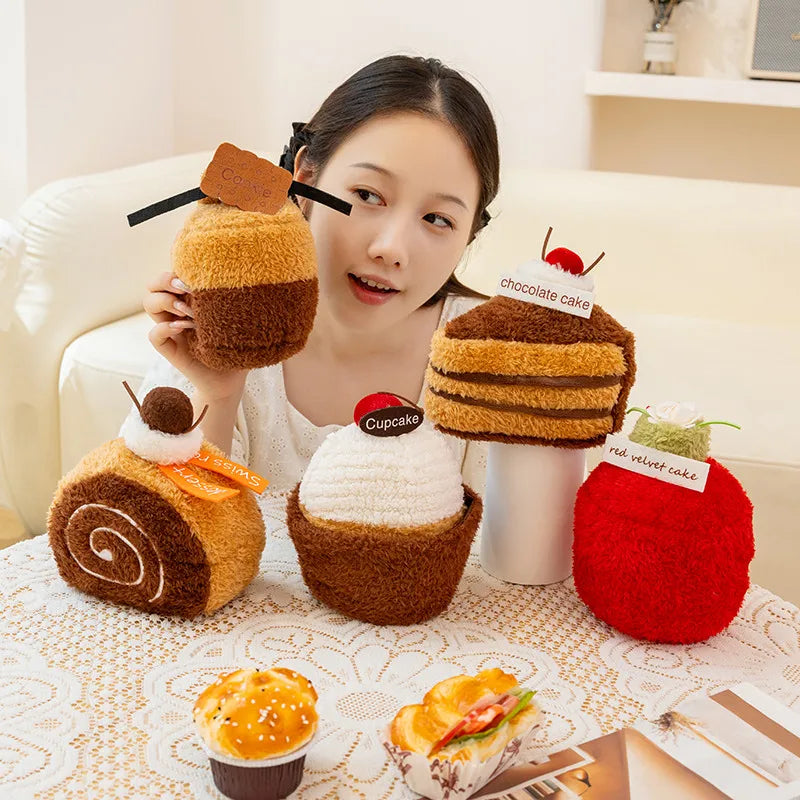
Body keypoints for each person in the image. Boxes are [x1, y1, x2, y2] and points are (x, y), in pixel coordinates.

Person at [136, 54, 499, 493]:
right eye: (368, 194)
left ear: (469, 237)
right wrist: (218, 393)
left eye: (438, 220)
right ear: (305, 177)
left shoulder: (491, 360)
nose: (391, 249)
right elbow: (170, 542)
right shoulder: (220, 330)